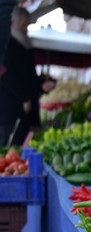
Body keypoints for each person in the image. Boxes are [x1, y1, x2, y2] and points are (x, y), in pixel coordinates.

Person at [0, 6, 54, 145]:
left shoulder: (25, 46)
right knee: (10, 149)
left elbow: (29, 76)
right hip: (11, 111)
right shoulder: (6, 46)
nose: (25, 28)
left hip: (26, 112)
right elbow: (8, 76)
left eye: (27, 24)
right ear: (13, 23)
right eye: (23, 24)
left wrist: (42, 85)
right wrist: (23, 98)